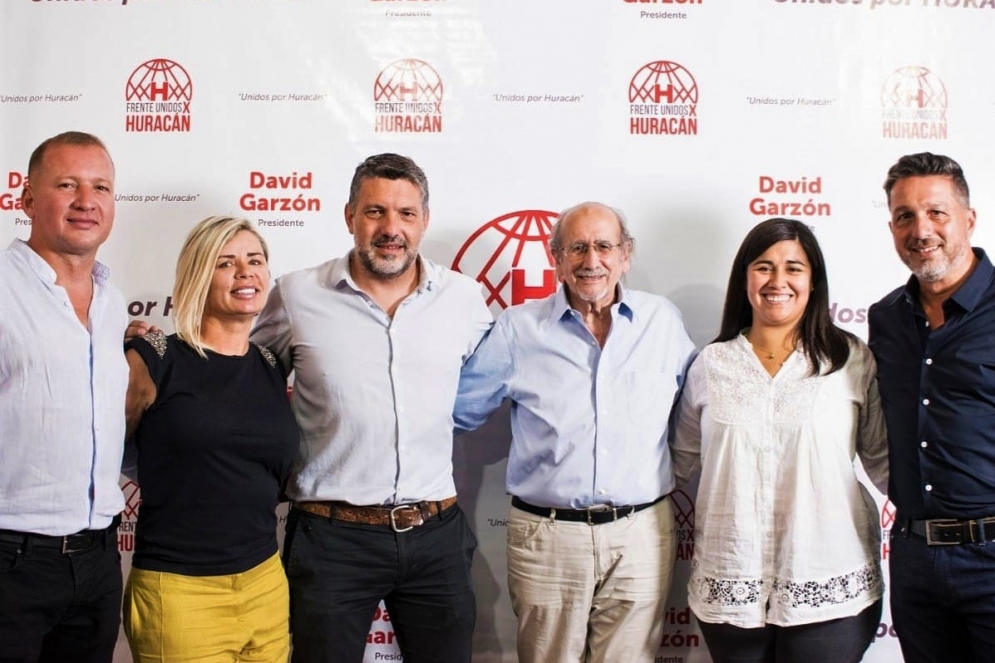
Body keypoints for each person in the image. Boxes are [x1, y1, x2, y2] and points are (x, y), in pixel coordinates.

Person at [249, 153, 492, 663]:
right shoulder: (297, 295)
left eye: (406, 214)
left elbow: (489, 383)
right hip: (331, 539)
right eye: (375, 212)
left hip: (436, 535)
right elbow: (236, 374)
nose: (391, 228)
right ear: (349, 217)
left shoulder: (465, 301)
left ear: (424, 220)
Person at [454, 201, 696, 663]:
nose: (592, 261)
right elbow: (457, 412)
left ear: (626, 254)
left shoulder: (661, 321)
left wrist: (674, 474)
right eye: (577, 247)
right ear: (556, 258)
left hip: (641, 534)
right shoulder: (517, 329)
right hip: (548, 537)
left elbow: (696, 410)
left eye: (604, 246)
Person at [671, 218, 888, 663]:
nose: (778, 281)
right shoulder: (710, 364)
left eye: (794, 267)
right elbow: (676, 465)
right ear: (744, 278)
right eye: (764, 266)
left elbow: (884, 461)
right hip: (731, 584)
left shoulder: (850, 359)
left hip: (829, 576)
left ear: (813, 281)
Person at [122, 216, 300, 662]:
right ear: (200, 274)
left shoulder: (270, 364)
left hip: (266, 583)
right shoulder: (155, 358)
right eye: (226, 262)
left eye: (254, 260)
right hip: (180, 594)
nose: (245, 272)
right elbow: (101, 451)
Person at [0, 131, 127, 662]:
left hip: (98, 561)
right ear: (27, 199)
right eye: (67, 184)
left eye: (100, 186)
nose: (86, 201)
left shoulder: (112, 299)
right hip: (11, 560)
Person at [868, 153, 995, 663]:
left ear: (968, 218)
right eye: (905, 216)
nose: (921, 230)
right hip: (914, 556)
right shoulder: (885, 318)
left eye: (936, 212)